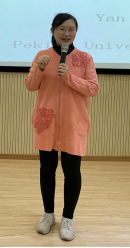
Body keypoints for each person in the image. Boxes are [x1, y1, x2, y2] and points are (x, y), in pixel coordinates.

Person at [25, 13, 99, 241]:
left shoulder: (85, 58)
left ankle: (68, 218)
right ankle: (48, 215)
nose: (66, 34)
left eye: (71, 29)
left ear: (76, 32)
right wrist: (38, 68)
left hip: (73, 122)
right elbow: (30, 86)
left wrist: (69, 78)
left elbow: (93, 88)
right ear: (53, 31)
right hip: (46, 122)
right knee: (47, 170)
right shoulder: (42, 56)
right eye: (62, 29)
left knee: (72, 172)